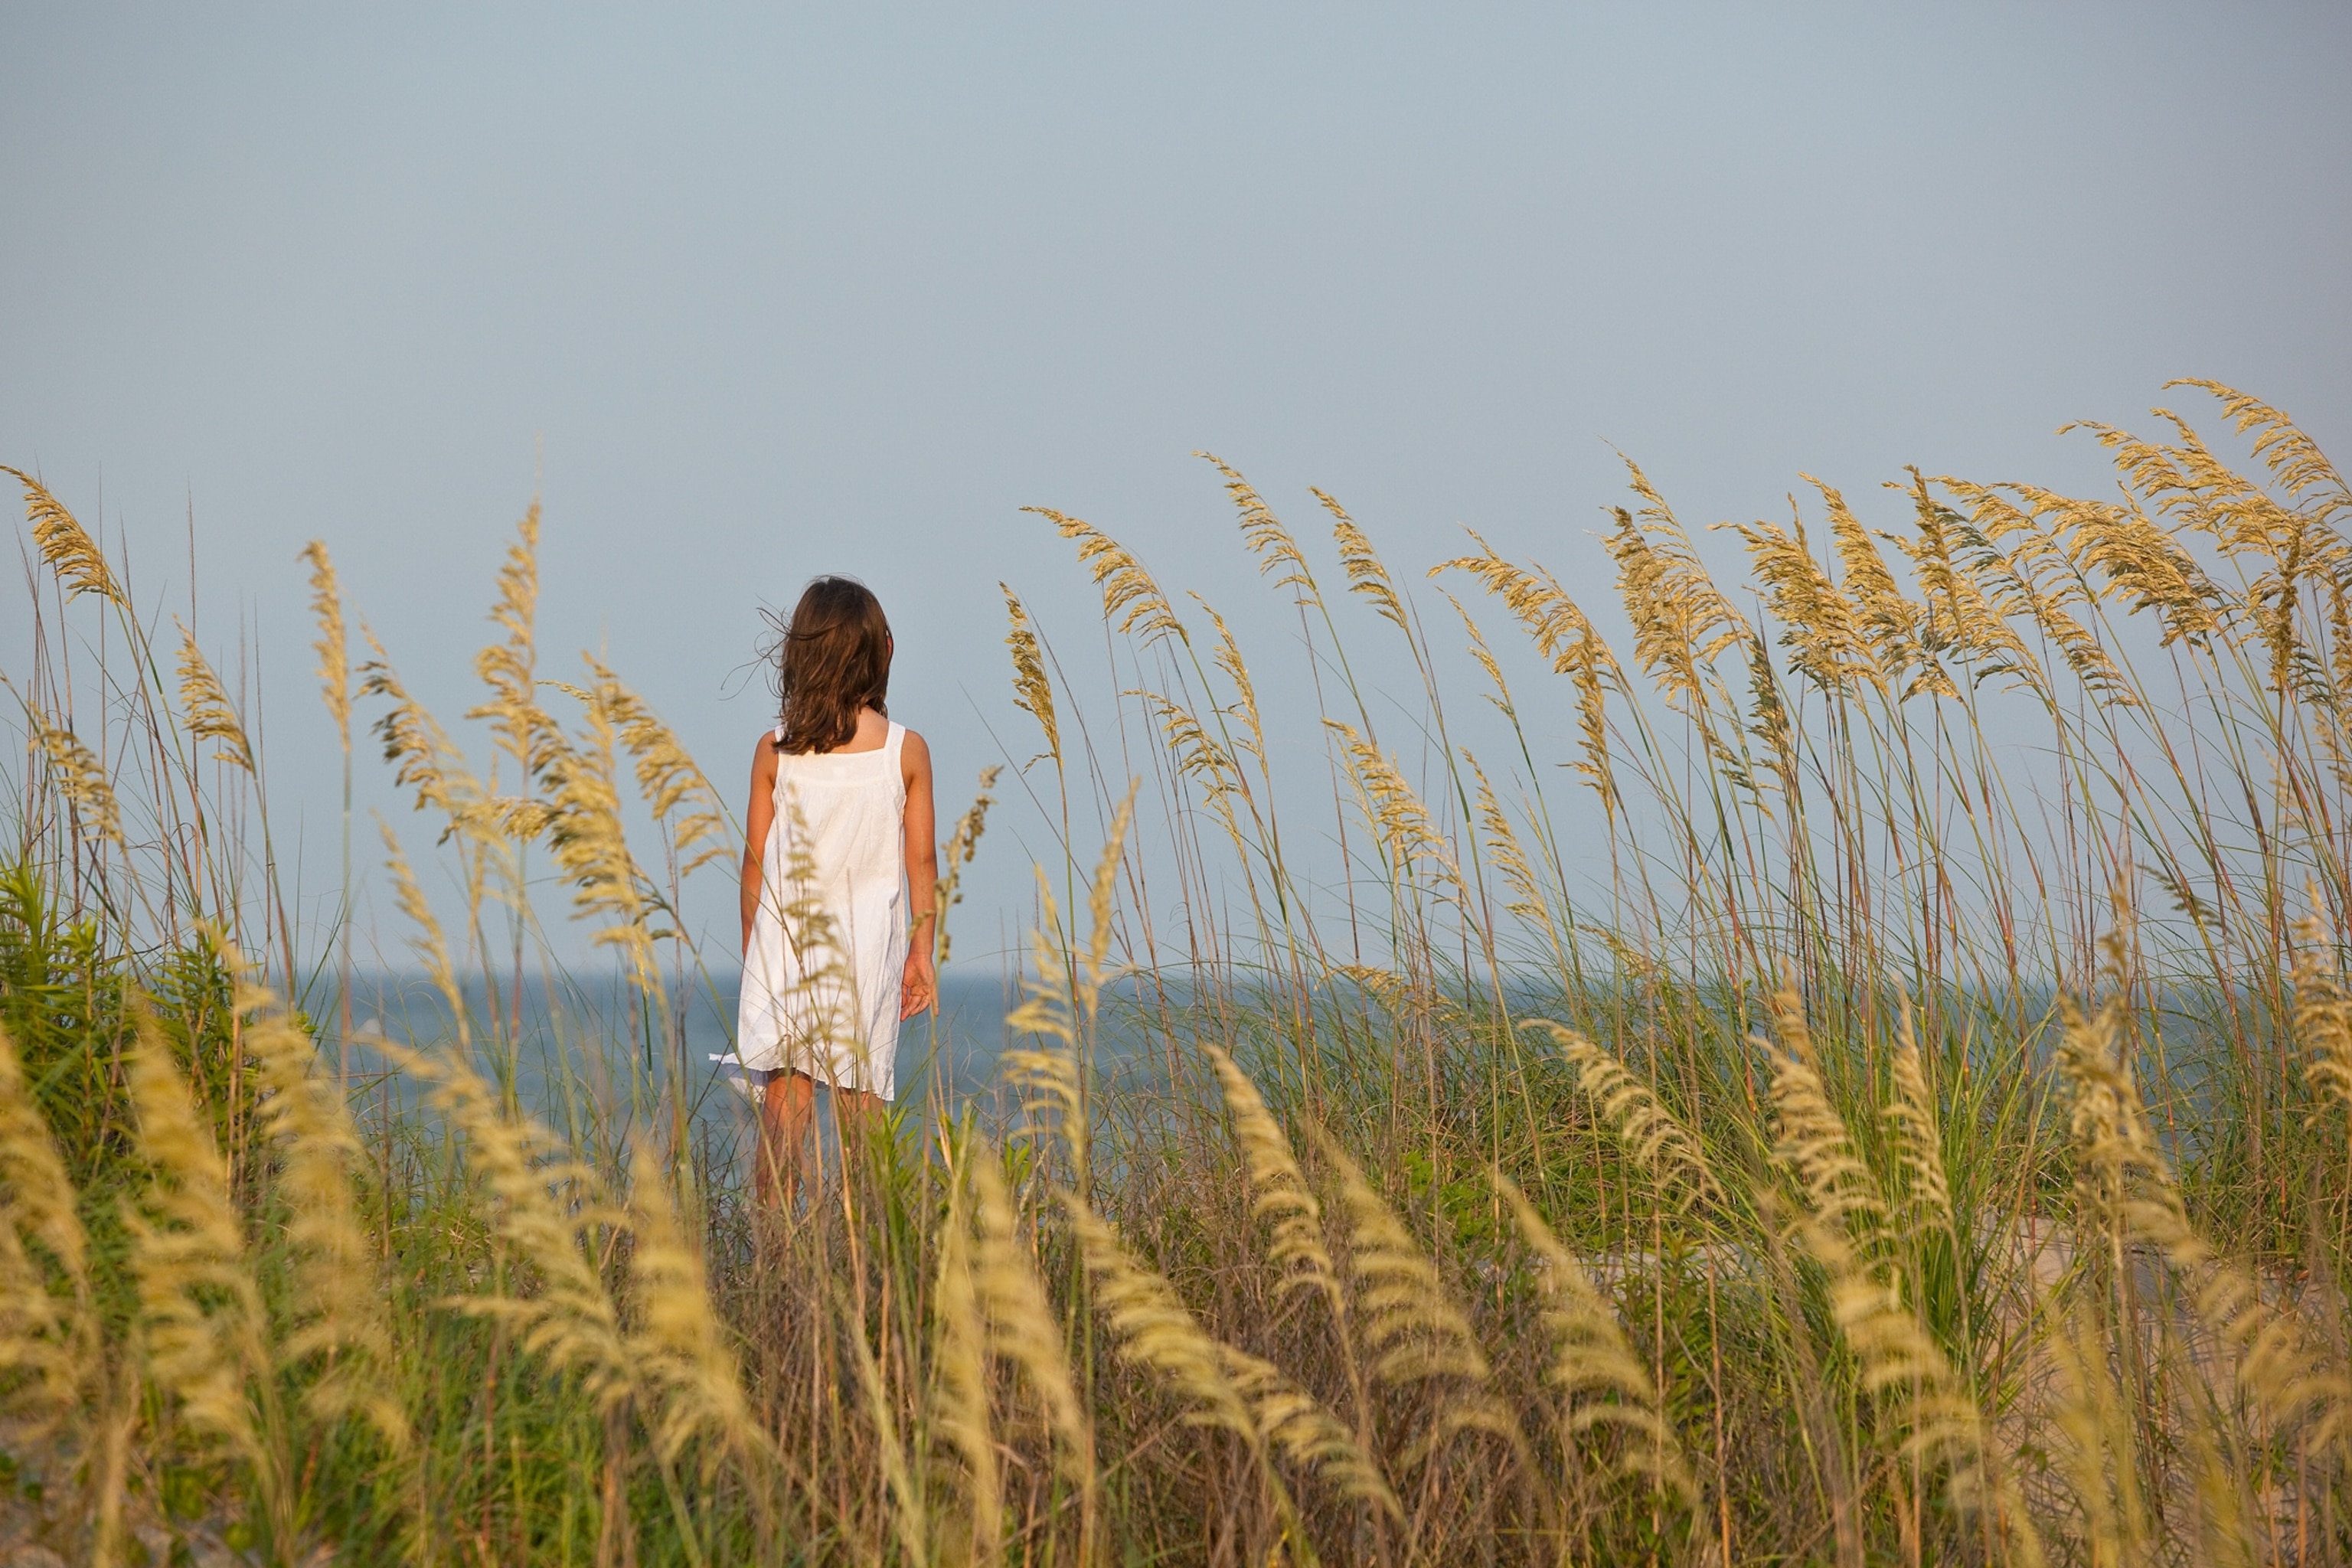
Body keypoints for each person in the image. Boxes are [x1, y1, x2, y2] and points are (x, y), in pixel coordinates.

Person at [736, 577, 936, 1206]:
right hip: (866, 954)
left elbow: (753, 867)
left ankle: (775, 1262)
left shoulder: (776, 751)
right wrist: (921, 953)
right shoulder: (905, 752)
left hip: (786, 956)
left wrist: (755, 958)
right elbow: (922, 861)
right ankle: (868, 1261)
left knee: (784, 1118)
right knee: (863, 1125)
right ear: (886, 651)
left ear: (801, 658)